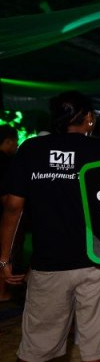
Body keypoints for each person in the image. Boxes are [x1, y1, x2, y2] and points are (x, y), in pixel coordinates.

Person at [0, 91, 100, 362]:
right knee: (95, 341)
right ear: (89, 119)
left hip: (48, 264)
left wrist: (4, 259)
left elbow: (13, 207)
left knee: (33, 343)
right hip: (96, 262)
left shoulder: (31, 150)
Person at [0, 124, 19, 302]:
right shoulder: (7, 163)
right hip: (2, 216)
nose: (17, 145)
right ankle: (2, 294)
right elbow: (9, 200)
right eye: (16, 142)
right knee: (3, 254)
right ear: (8, 141)